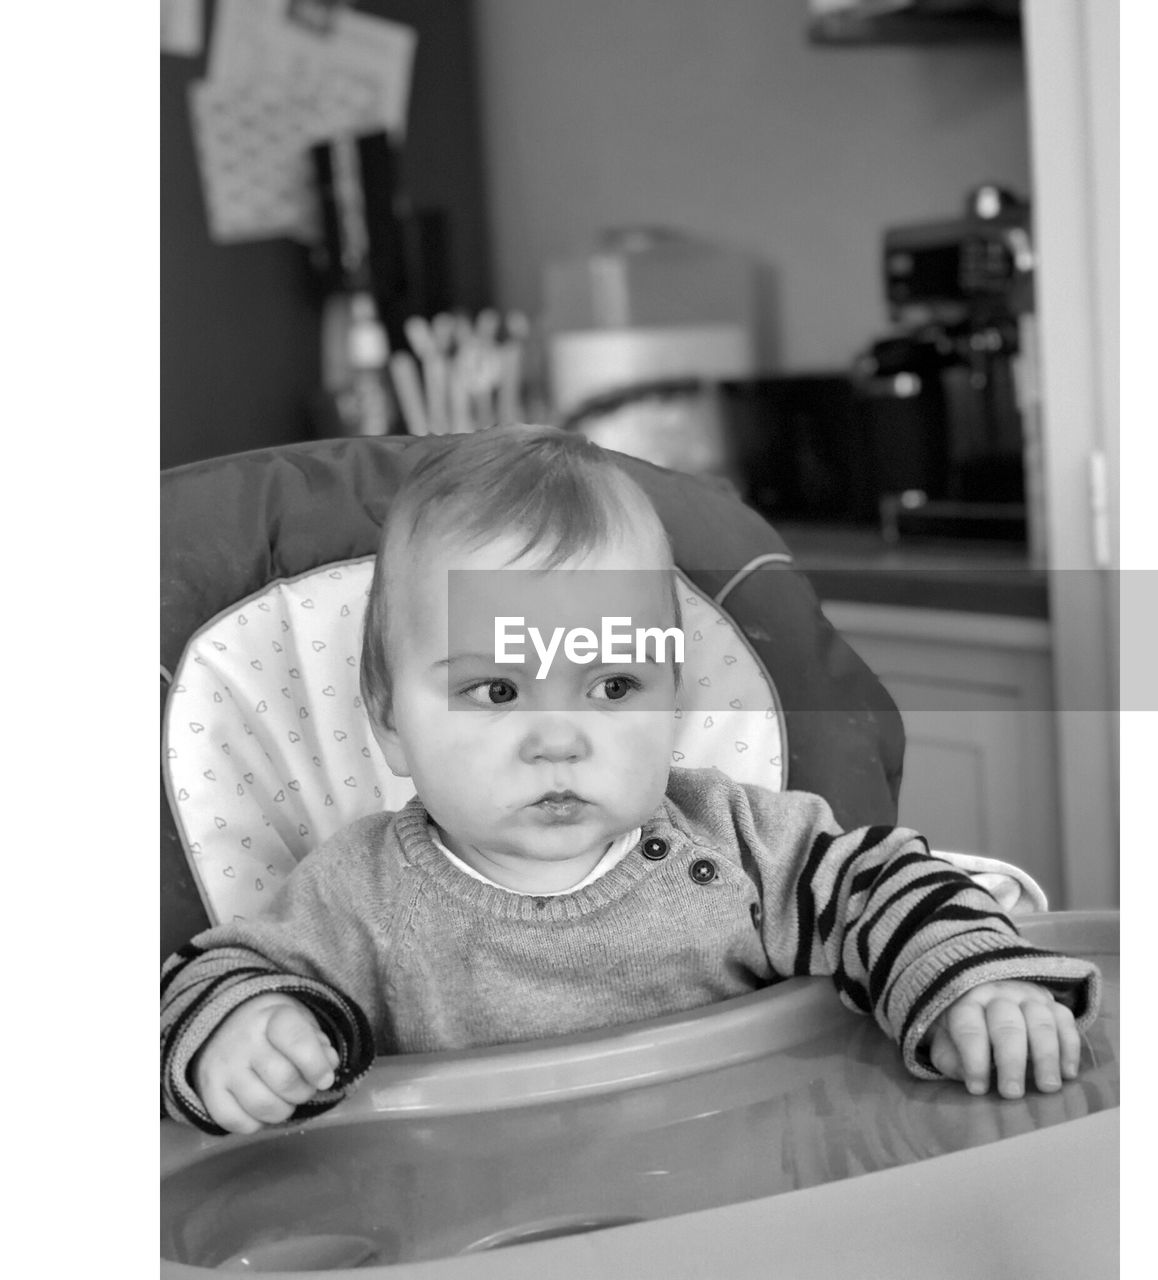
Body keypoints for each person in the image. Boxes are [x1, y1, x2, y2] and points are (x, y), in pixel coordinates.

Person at [161, 426, 1099, 1137]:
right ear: (389, 718)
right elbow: (207, 979)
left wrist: (972, 985)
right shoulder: (357, 900)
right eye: (495, 689)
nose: (560, 739)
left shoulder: (738, 848)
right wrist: (245, 1033)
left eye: (614, 684)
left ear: (675, 695)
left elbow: (886, 885)